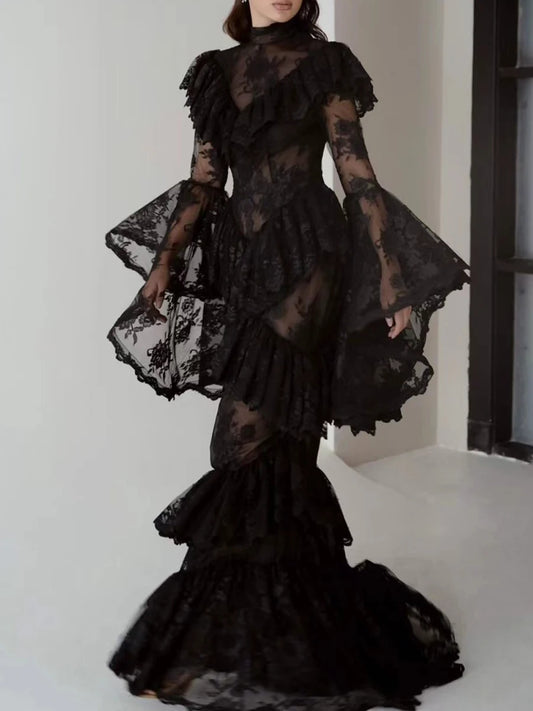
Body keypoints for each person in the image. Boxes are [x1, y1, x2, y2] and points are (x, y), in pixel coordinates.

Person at [105, 1, 469, 708]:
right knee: (275, 438)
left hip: (310, 259)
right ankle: (279, 636)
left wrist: (389, 275)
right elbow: (205, 181)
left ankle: (258, 643)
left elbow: (355, 173)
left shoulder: (324, 63)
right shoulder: (214, 73)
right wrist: (166, 262)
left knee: (246, 436)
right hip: (246, 263)